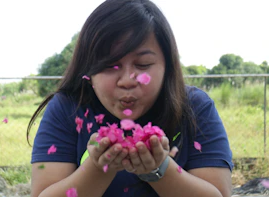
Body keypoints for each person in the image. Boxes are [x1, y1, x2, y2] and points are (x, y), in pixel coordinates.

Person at [27, 0, 233, 196]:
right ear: (88, 71)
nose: (127, 81)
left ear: (167, 67)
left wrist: (159, 169)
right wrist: (98, 168)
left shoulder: (195, 108)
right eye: (109, 66)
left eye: (143, 64)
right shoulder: (67, 108)